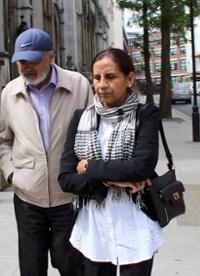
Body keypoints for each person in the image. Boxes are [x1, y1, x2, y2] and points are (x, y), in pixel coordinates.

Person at [0, 28, 93, 276]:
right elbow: (4, 140)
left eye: (33, 60)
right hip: (28, 199)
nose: (26, 66)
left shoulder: (79, 85)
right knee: (31, 270)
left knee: (72, 267)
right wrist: (11, 174)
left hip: (69, 197)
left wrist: (85, 174)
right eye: (21, 61)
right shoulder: (10, 92)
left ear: (51, 56)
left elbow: (94, 136)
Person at [58, 48, 164, 276]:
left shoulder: (146, 115)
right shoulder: (80, 118)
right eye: (97, 78)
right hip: (94, 226)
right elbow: (66, 178)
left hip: (135, 223)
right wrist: (114, 181)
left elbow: (140, 167)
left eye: (110, 77)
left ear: (129, 78)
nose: (102, 84)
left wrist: (88, 167)